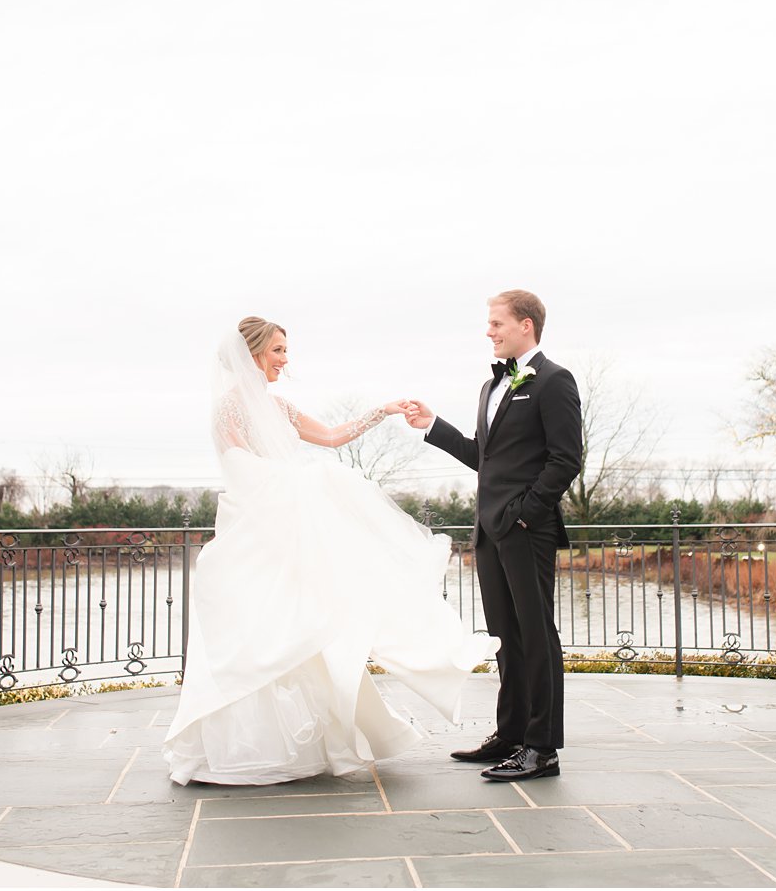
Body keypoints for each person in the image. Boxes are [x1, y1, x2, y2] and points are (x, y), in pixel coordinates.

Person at [162, 317, 498, 785]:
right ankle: (249, 748)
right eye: (278, 350)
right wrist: (305, 485)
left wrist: (382, 411)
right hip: (258, 534)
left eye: (286, 350)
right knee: (264, 632)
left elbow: (334, 436)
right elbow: (240, 469)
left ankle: (307, 744)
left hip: (290, 531)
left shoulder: (278, 406)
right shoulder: (228, 410)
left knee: (305, 625)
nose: (285, 359)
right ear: (253, 353)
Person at [402, 290, 582, 782]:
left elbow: (566, 460)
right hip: (488, 532)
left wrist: (526, 512)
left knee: (537, 636)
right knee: (507, 639)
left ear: (526, 325)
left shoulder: (554, 381)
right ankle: (511, 735)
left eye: (497, 323)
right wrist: (433, 425)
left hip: (526, 530)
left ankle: (542, 749)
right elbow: (483, 455)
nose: (490, 330)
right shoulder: (490, 387)